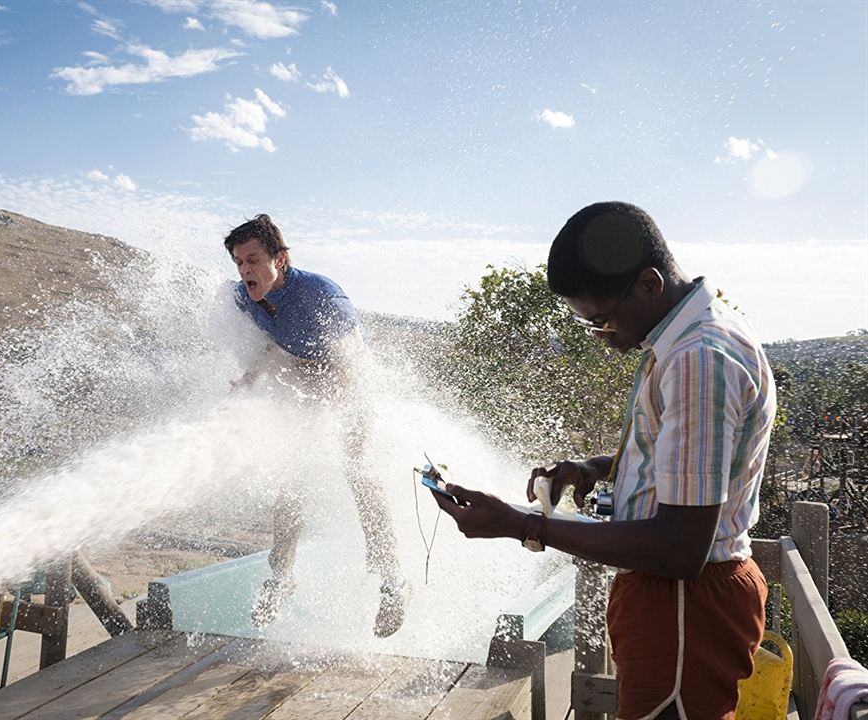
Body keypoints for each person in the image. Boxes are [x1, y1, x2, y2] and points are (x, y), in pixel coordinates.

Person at [433, 202, 776, 719]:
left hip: (684, 603)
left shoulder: (698, 358)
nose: (606, 339)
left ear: (649, 284)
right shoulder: (688, 336)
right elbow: (689, 458)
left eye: (603, 319)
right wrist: (596, 468)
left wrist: (522, 524)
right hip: (677, 601)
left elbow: (680, 546)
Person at [225, 213, 408, 638]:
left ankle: (393, 582)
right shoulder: (243, 296)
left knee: (359, 475)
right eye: (238, 262)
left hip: (351, 382)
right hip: (302, 374)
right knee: (292, 481)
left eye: (253, 259)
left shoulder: (321, 295)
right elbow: (270, 341)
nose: (245, 270)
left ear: (281, 259)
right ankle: (281, 577)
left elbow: (351, 361)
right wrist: (248, 380)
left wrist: (332, 409)